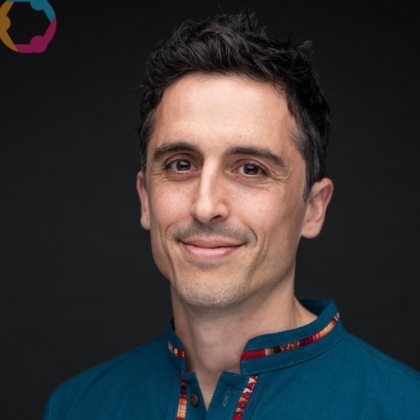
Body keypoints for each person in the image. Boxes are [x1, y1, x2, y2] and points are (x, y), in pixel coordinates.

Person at [43, 11, 420, 419]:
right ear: (146, 199)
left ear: (313, 209)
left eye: (251, 169)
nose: (206, 206)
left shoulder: (402, 406)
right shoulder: (78, 406)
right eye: (181, 164)